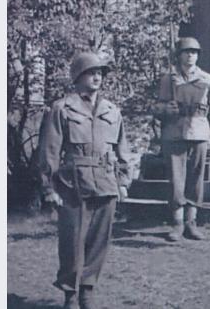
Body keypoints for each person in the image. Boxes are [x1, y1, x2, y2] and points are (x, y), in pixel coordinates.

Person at [37, 52, 131, 309]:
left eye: (100, 73)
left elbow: (123, 149)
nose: (97, 77)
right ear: (78, 77)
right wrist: (48, 188)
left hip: (106, 183)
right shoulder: (62, 108)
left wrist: (123, 181)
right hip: (72, 185)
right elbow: (49, 151)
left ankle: (87, 291)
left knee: (99, 241)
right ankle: (70, 293)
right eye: (92, 72)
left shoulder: (112, 110)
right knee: (72, 242)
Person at [153, 37, 210, 242]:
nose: (190, 55)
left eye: (194, 52)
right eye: (186, 52)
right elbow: (156, 107)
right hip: (174, 132)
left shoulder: (208, 79)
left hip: (199, 132)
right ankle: (177, 222)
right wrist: (166, 109)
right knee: (176, 180)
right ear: (180, 55)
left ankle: (191, 222)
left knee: (196, 179)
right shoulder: (169, 79)